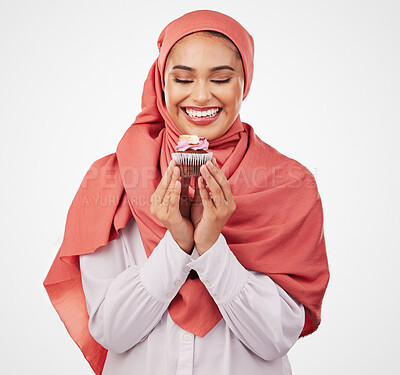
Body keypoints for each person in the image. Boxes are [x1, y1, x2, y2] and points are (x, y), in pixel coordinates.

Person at [44, 9, 329, 375]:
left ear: (246, 82)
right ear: (162, 83)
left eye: (221, 79)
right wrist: (177, 244)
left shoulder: (289, 184)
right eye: (182, 78)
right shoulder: (111, 179)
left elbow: (275, 338)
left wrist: (211, 247)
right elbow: (111, 331)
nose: (200, 96)